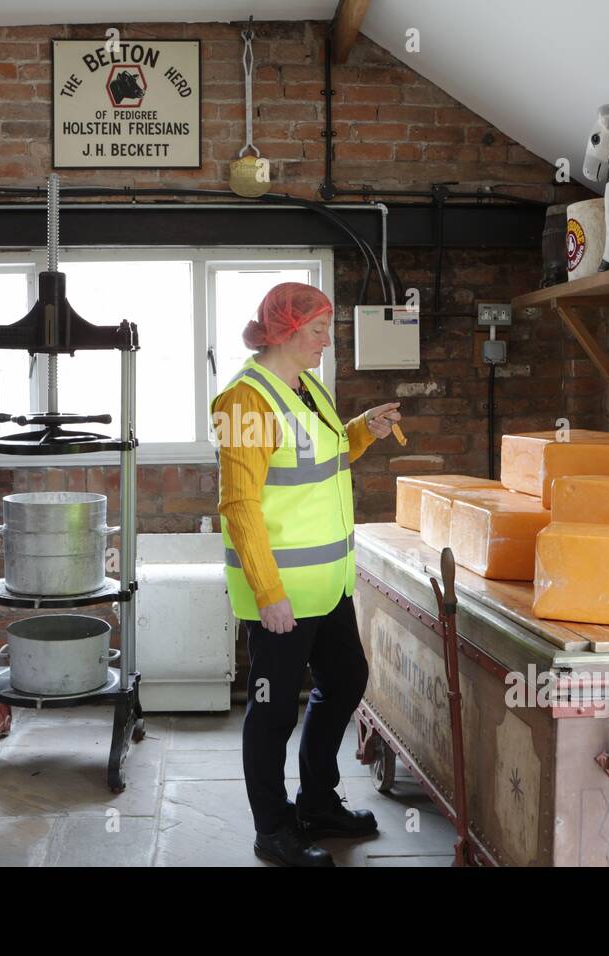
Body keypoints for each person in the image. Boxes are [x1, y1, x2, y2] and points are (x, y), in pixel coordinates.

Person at [212, 282, 402, 867]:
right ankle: (273, 828)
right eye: (318, 329)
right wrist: (268, 594)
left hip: (328, 586)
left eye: (327, 329)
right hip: (282, 595)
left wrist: (362, 430)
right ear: (285, 330)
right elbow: (239, 505)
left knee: (345, 681)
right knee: (271, 712)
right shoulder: (243, 403)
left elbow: (322, 458)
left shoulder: (305, 386)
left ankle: (318, 802)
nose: (327, 340)